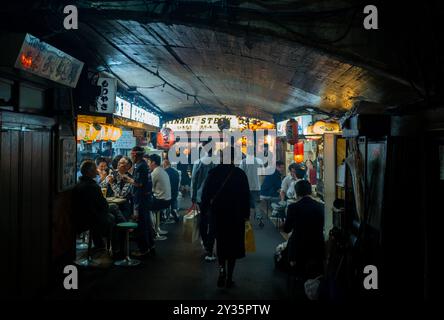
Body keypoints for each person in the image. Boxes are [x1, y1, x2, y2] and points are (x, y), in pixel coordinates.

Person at [200, 147, 250, 288]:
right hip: (236, 216)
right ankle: (230, 277)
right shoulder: (240, 174)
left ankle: (221, 270)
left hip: (218, 215)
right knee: (233, 245)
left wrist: (204, 211)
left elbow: (205, 194)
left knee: (221, 243)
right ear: (234, 158)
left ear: (221, 157)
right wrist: (246, 216)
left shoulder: (213, 173)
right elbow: (246, 196)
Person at [283, 180, 324, 279]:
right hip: (317, 247)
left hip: (298, 248)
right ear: (310, 192)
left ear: (297, 192)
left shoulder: (293, 207)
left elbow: (287, 229)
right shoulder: (320, 206)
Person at [72, 160, 114, 249]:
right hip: (90, 219)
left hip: (78, 218)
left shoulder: (77, 184)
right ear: (90, 172)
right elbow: (104, 205)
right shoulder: (93, 186)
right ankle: (114, 246)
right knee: (111, 216)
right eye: (96, 169)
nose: (97, 171)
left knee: (111, 209)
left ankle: (100, 244)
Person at [191, 141, 217, 261]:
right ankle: (211, 243)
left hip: (202, 197)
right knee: (214, 220)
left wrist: (193, 197)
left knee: (203, 220)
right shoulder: (218, 162)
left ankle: (205, 241)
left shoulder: (199, 162)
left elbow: (194, 181)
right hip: (216, 197)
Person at [127, 146, 155, 256]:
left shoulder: (140, 166)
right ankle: (150, 244)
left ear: (135, 155)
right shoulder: (144, 165)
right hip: (146, 198)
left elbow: (139, 184)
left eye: (131, 155)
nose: (131, 157)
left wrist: (128, 179)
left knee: (142, 225)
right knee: (146, 223)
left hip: (142, 199)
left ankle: (143, 249)